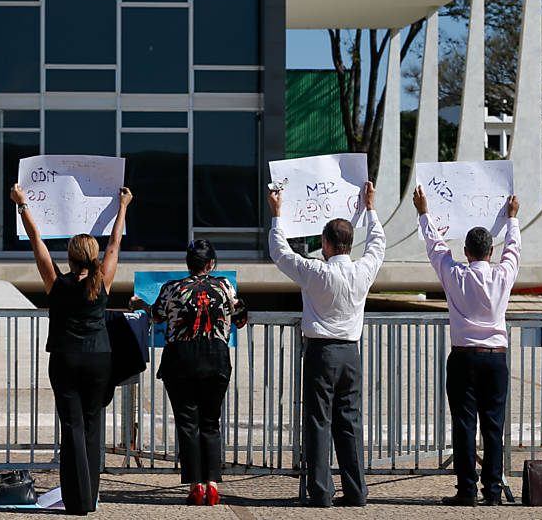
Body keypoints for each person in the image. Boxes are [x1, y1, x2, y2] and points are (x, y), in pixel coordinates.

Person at [10, 183, 132, 516]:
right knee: (93, 426)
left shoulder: (57, 283)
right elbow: (115, 244)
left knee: (72, 428)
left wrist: (23, 205)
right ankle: (89, 497)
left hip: (65, 358)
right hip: (99, 358)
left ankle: (76, 500)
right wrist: (123, 207)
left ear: (69, 257)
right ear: (93, 257)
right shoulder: (102, 281)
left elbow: (36, 241)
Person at [267, 181, 385, 508]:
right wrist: (370, 208)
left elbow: (279, 252)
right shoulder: (363, 270)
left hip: (321, 352)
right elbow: (378, 244)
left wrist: (277, 214)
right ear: (349, 244)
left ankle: (320, 492)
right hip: (350, 352)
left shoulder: (315, 271)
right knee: (350, 423)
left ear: (326, 244)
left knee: (319, 422)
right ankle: (356, 490)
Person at [412, 185, 521, 506]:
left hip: (463, 357)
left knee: (464, 425)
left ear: (467, 252)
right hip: (496, 358)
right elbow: (514, 249)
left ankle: (467, 490)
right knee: (493, 427)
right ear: (490, 252)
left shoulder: (455, 275)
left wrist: (424, 212)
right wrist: (512, 219)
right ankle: (493, 490)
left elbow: (436, 246)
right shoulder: (502, 275)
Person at [129, 240, 247, 506]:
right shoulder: (224, 286)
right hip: (216, 359)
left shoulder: (173, 288)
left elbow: (158, 316)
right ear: (211, 264)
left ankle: (195, 485)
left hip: (180, 361)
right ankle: (212, 485)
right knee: (211, 422)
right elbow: (241, 318)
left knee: (187, 423)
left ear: (188, 263)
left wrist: (141, 304)